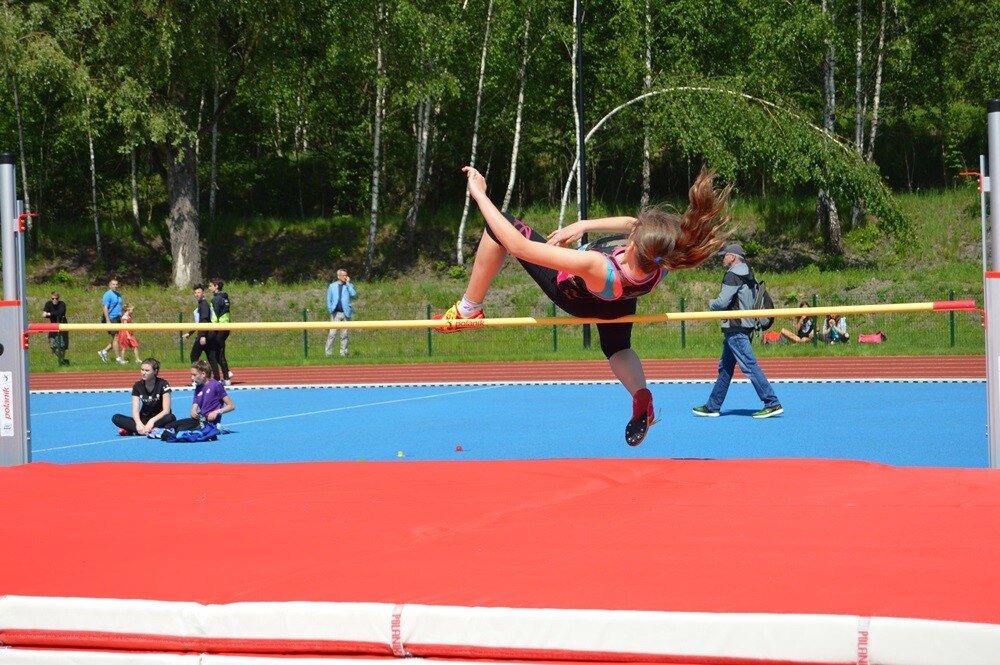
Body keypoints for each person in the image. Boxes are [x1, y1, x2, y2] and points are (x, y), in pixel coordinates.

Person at [433, 165, 732, 447]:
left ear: (631, 245)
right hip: (619, 302)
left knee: (501, 224)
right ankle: (641, 395)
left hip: (573, 294)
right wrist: (583, 225)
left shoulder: (595, 265)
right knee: (618, 350)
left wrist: (480, 196)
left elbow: (518, 247)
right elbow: (633, 224)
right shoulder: (662, 264)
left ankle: (468, 308)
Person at [693, 243, 783, 419]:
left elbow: (721, 302)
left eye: (724, 255)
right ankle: (713, 405)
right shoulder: (749, 273)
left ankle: (772, 402)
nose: (723, 258)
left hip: (735, 328)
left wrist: (711, 303)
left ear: (732, 257)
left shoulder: (732, 275)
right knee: (725, 368)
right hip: (744, 326)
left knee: (749, 366)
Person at [111, 357, 176, 436]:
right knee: (116, 418)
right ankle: (148, 430)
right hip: (143, 420)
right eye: (142, 370)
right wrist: (138, 423)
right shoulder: (137, 386)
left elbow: (166, 410)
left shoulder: (163, 384)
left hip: (158, 419)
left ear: (155, 371)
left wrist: (151, 421)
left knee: (171, 417)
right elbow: (135, 410)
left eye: (147, 370)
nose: (143, 373)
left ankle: (135, 430)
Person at [170, 360, 236, 432]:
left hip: (210, 422)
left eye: (194, 375)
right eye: (191, 375)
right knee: (170, 426)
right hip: (199, 419)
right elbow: (194, 408)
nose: (192, 378)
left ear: (203, 374)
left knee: (180, 430)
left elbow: (231, 406)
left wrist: (216, 412)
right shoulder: (198, 387)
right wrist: (193, 412)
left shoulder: (216, 385)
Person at [182, 284, 219, 376]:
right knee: (211, 357)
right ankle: (217, 378)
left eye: (199, 292)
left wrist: (202, 336)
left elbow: (204, 320)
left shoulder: (204, 305)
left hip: (205, 334)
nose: (196, 294)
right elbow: (199, 322)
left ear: (203, 293)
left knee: (194, 356)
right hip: (208, 334)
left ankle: (197, 377)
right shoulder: (201, 304)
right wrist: (189, 333)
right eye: (195, 293)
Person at [326, 268, 358, 357]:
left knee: (344, 335)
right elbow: (329, 300)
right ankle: (328, 354)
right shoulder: (332, 286)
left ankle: (343, 353)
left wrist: (348, 284)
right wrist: (330, 310)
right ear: (338, 276)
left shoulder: (349, 285)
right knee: (332, 334)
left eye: (346, 275)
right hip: (335, 313)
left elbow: (354, 295)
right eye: (343, 275)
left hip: (346, 313)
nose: (345, 277)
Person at [208, 278, 233, 384]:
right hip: (225, 327)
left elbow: (215, 315)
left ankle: (227, 377)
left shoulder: (217, 299)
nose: (209, 288)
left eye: (210, 286)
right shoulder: (224, 297)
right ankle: (227, 373)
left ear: (216, 286)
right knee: (219, 352)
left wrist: (211, 328)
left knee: (219, 353)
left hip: (220, 328)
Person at [98, 278, 123, 363]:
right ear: (110, 285)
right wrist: (108, 320)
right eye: (113, 284)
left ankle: (104, 351)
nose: (115, 286)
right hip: (111, 318)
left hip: (117, 318)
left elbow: (118, 306)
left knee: (117, 338)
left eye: (116, 284)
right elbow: (105, 307)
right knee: (116, 338)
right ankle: (118, 358)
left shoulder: (119, 295)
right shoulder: (107, 294)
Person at [42, 291, 69, 365]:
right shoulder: (48, 304)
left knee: (62, 345)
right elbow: (44, 314)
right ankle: (63, 361)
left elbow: (60, 313)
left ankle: (62, 361)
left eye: (56, 299)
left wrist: (49, 314)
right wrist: (47, 314)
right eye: (53, 298)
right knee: (52, 345)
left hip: (62, 325)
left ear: (58, 298)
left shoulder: (62, 304)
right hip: (53, 325)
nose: (55, 300)